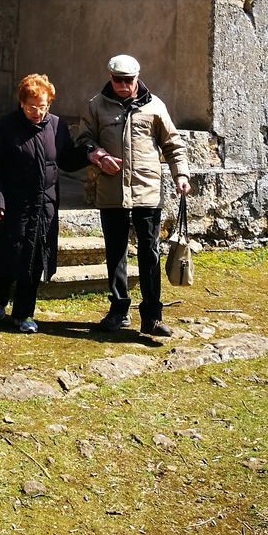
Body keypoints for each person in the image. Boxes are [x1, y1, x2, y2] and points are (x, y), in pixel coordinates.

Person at [76, 54, 191, 339]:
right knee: (115, 254)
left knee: (149, 254)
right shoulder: (96, 106)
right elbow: (83, 140)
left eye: (129, 80)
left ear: (137, 78)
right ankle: (118, 310)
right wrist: (97, 154)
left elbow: (173, 144)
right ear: (110, 77)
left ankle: (152, 316)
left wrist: (182, 175)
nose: (124, 85)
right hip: (112, 191)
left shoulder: (155, 106)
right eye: (118, 80)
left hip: (147, 192)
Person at [0, 73, 88, 334]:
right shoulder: (5, 128)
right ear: (21, 103)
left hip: (45, 207)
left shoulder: (58, 126)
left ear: (49, 103)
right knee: (10, 259)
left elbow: (67, 160)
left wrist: (91, 154)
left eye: (43, 107)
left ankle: (23, 315)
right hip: (14, 207)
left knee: (35, 261)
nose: (37, 113)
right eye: (32, 107)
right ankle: (0, 296)